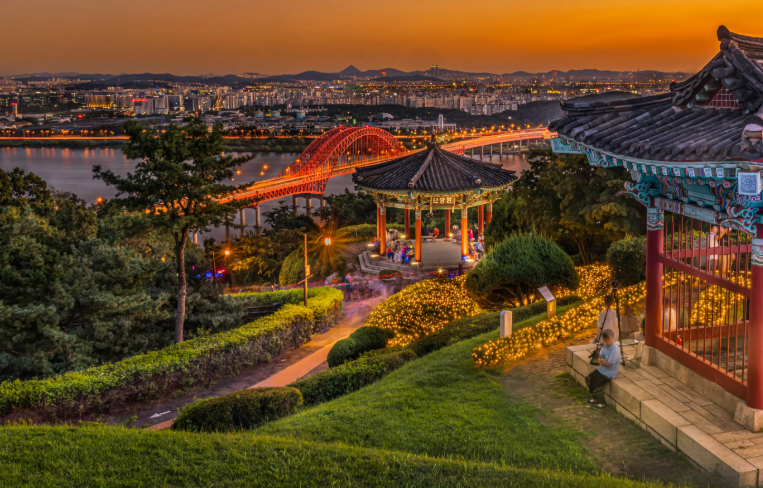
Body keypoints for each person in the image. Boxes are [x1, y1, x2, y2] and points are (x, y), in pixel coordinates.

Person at [586, 329, 621, 409]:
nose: (606, 341)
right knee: (589, 378)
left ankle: (603, 403)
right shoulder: (605, 346)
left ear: (612, 338)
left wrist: (603, 361)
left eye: (607, 339)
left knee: (597, 385)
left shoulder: (615, 349)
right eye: (605, 340)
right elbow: (600, 357)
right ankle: (595, 398)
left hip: (609, 372)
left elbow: (608, 364)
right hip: (602, 369)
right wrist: (602, 361)